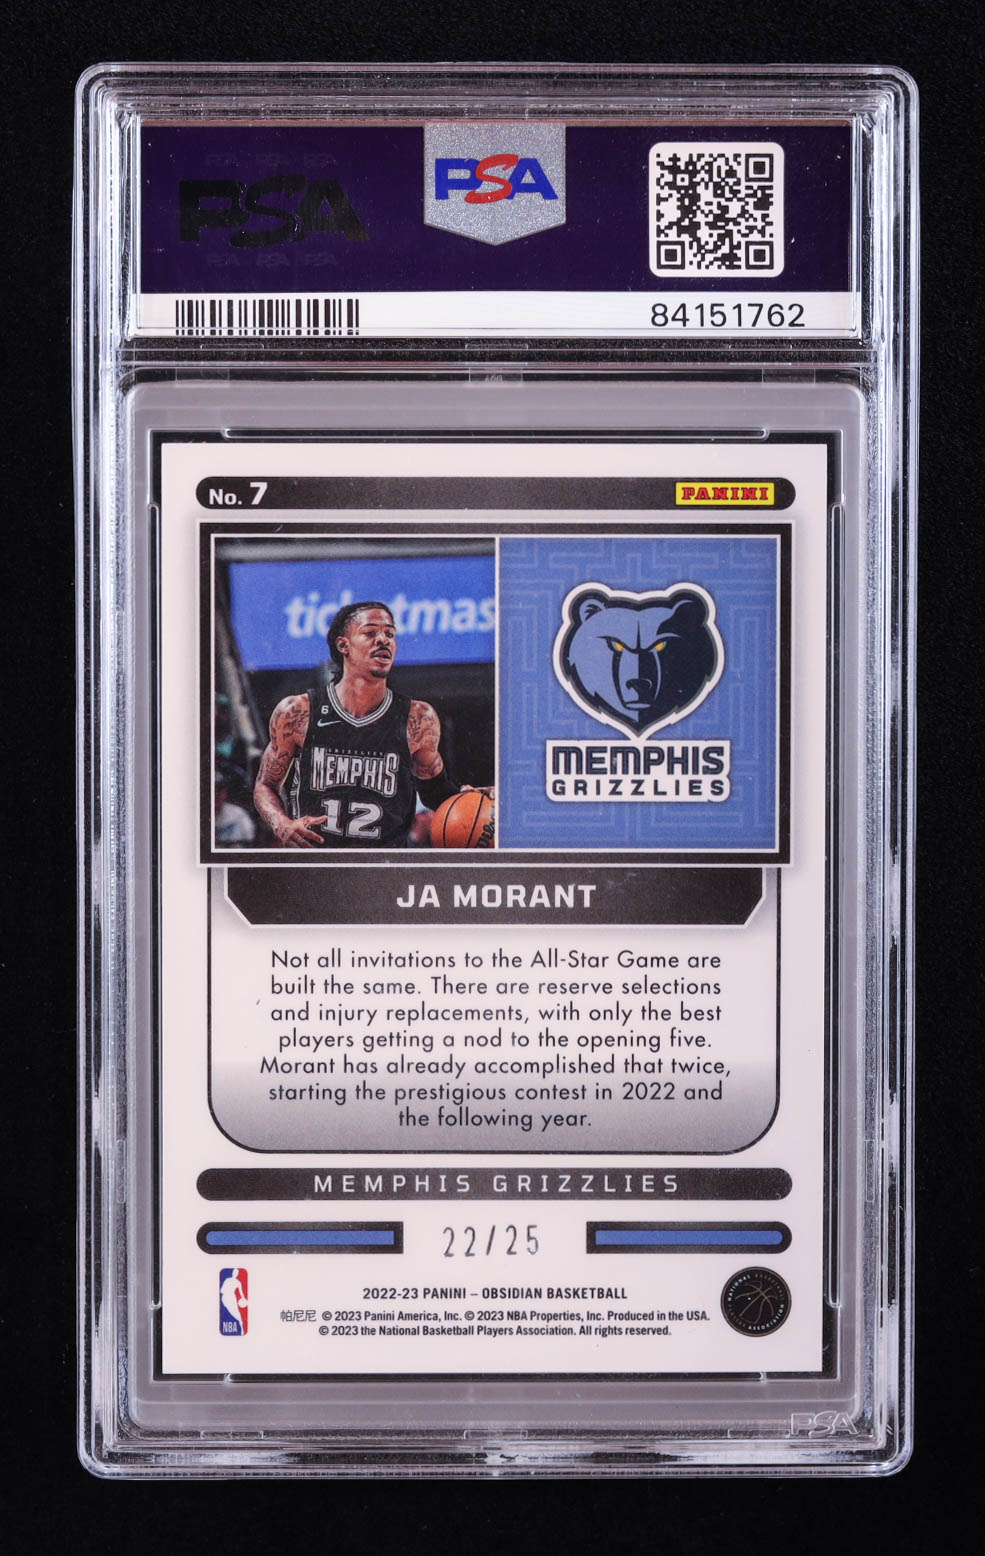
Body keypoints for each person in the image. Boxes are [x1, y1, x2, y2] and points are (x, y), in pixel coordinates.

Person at [253, 600, 477, 848]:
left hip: (385, 863)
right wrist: (281, 824)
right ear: (343, 645)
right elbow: (265, 785)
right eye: (370, 633)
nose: (383, 640)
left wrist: (471, 801)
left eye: (390, 634)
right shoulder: (298, 712)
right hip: (316, 860)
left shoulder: (418, 718)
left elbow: (436, 792)